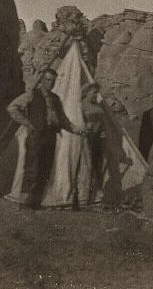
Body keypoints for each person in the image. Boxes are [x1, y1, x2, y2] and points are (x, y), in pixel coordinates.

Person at [7, 68, 84, 208]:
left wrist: (78, 130)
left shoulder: (56, 99)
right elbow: (12, 107)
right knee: (33, 168)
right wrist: (27, 124)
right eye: (48, 80)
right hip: (36, 136)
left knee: (45, 169)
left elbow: (64, 121)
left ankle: (36, 201)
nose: (50, 83)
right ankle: (25, 201)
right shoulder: (32, 95)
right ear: (42, 80)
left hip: (50, 136)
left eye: (53, 81)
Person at [78, 82, 106, 206]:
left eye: (97, 92)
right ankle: (85, 195)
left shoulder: (98, 106)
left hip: (98, 138)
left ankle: (97, 193)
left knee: (98, 165)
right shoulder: (82, 105)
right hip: (87, 138)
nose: (96, 95)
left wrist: (103, 131)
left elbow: (103, 122)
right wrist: (85, 125)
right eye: (94, 92)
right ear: (87, 92)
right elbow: (78, 120)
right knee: (87, 165)